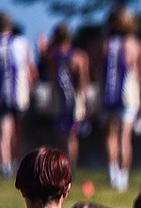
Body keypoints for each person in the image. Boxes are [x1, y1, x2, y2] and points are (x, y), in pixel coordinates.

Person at [0, 12, 36, 177]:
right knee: (18, 132)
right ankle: (17, 163)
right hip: (20, 96)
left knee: (4, 132)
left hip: (0, 96)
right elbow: (31, 70)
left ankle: (5, 166)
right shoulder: (22, 43)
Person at [97, 5, 141, 192]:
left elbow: (98, 70)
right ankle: (123, 178)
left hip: (109, 93)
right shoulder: (134, 44)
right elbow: (138, 73)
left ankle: (112, 173)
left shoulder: (106, 44)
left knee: (111, 136)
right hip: (128, 94)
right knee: (125, 137)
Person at [41, 23, 89, 168]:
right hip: (74, 98)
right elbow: (83, 80)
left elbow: (49, 72)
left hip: (59, 99)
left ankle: (62, 165)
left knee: (61, 136)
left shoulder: (53, 56)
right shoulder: (79, 56)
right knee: (72, 136)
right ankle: (71, 166)